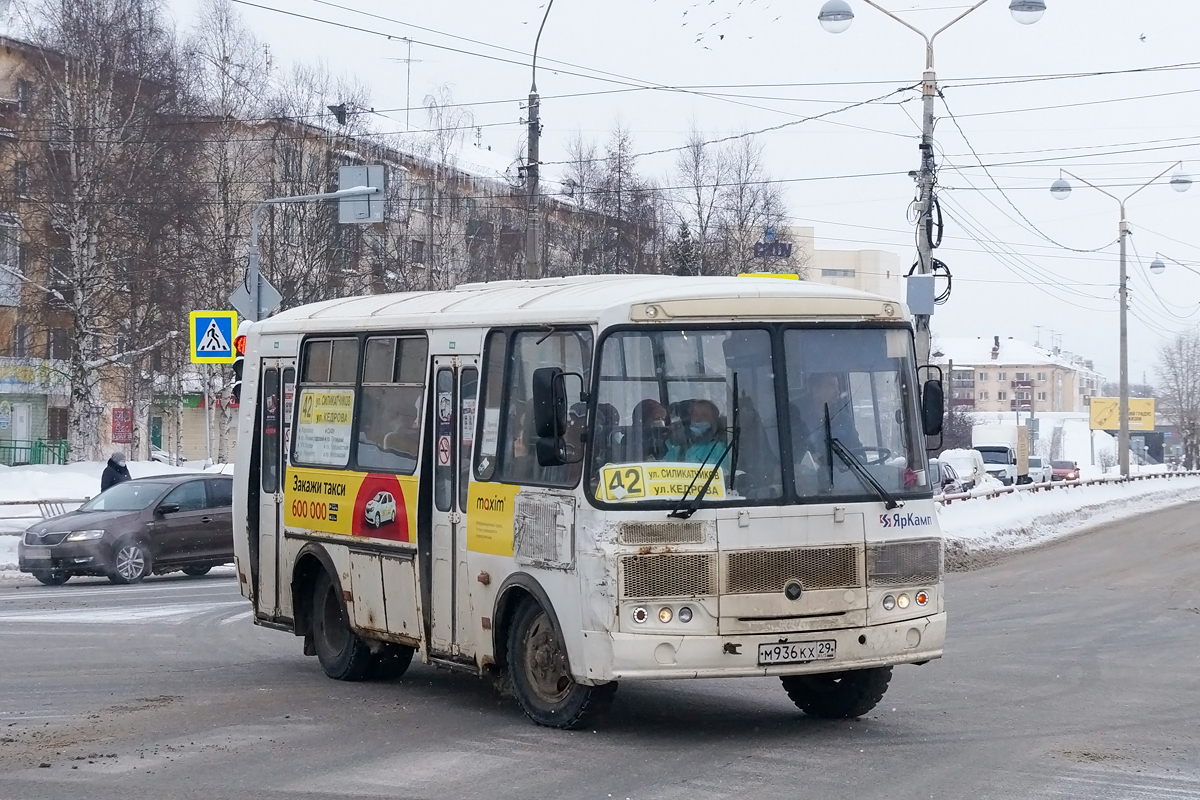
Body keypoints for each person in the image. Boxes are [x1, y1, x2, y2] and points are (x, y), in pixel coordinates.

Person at [664, 399, 730, 470]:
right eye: (695, 414)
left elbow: (721, 476)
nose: (698, 419)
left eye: (704, 415)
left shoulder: (718, 450)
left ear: (713, 421)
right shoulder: (678, 449)